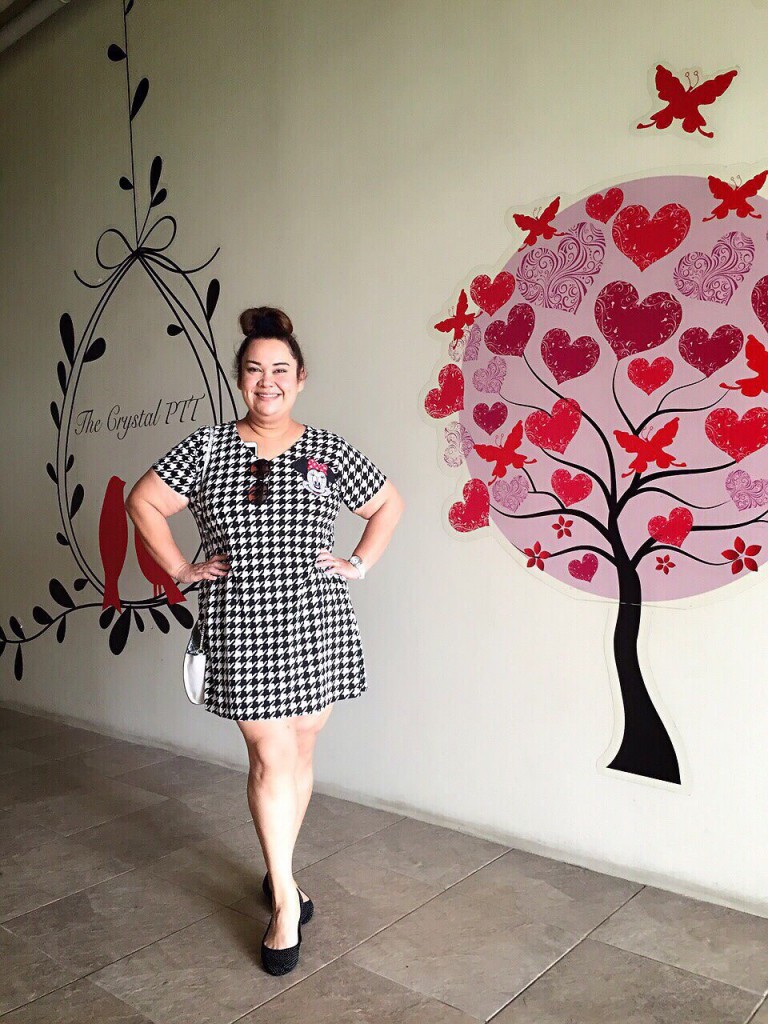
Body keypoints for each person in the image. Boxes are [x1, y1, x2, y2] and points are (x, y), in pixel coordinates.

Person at [126, 306, 403, 975]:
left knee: (301, 747)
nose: (267, 381)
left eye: (280, 369)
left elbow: (388, 505)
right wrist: (181, 569)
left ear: (300, 378)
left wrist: (358, 563)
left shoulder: (328, 450)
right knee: (271, 759)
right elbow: (143, 502)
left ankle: (282, 873)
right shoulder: (206, 448)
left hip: (317, 620)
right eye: (254, 369)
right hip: (242, 621)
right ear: (240, 379)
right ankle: (284, 901)